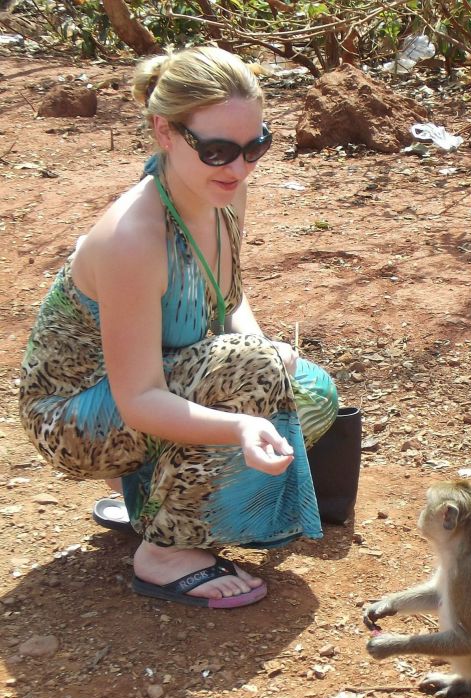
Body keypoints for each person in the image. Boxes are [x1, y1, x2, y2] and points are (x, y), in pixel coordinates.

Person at [18, 46, 338, 608]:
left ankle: (148, 496)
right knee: (256, 378)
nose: (238, 168)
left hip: (155, 385)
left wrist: (262, 352)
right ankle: (164, 551)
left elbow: (228, 298)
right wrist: (240, 422)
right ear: (164, 133)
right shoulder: (134, 238)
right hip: (75, 417)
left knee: (311, 392)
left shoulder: (223, 193)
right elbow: (139, 398)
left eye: (254, 146)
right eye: (217, 150)